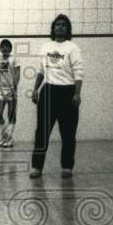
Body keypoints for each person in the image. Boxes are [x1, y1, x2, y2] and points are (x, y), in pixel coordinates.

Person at [29, 14, 83, 178]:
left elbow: (78, 72)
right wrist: (35, 89)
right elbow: (40, 70)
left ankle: (67, 167)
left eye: (63, 25)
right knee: (42, 133)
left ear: (67, 29)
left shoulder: (73, 48)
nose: (60, 27)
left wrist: (77, 93)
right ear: (53, 28)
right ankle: (37, 167)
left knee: (68, 133)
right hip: (48, 93)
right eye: (57, 24)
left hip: (68, 93)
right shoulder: (46, 47)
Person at [0, 39, 20, 148]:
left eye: (7, 46)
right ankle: (5, 135)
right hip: (1, 90)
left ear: (10, 48)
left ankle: (9, 139)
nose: (5, 48)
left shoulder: (14, 59)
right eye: (3, 46)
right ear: (1, 48)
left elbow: (17, 74)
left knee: (11, 114)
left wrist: (14, 87)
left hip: (11, 90)